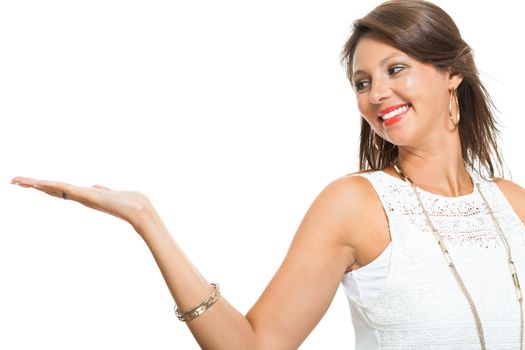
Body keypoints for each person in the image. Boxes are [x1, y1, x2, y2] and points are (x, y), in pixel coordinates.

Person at [11, 0, 525, 349]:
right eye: (362, 82)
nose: (376, 95)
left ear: (452, 72)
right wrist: (146, 219)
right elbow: (254, 346)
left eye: (396, 69)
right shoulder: (356, 203)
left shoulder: (513, 203)